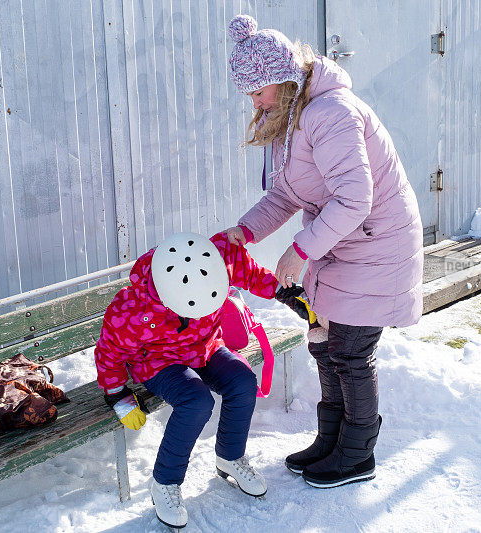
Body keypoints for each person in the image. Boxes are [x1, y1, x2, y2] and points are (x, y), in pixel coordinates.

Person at [224, 14, 424, 489]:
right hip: (342, 242)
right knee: (325, 343)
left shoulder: (329, 113)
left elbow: (356, 198)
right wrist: (245, 230)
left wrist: (298, 251)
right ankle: (330, 439)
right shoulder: (293, 119)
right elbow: (287, 194)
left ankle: (358, 455)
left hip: (377, 243)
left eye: (257, 92)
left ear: (282, 80)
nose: (254, 103)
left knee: (351, 352)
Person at [94, 231, 296, 528]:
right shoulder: (133, 309)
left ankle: (230, 456)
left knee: (242, 382)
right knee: (196, 401)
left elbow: (249, 272)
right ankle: (165, 482)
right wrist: (117, 394)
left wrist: (282, 290)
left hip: (205, 346)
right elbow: (110, 351)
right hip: (159, 361)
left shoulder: (219, 256)